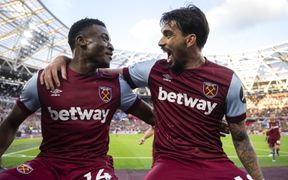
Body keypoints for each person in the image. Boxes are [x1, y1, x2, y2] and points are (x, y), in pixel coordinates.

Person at [40, 5, 264, 180]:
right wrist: (66, 59)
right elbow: (98, 72)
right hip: (169, 164)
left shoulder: (228, 80)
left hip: (216, 164)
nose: (161, 41)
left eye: (168, 34)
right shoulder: (154, 70)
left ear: (190, 40)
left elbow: (241, 137)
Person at [0, 18, 155, 180]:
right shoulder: (43, 80)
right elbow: (11, 123)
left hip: (93, 168)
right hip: (48, 164)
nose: (111, 45)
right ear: (81, 41)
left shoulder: (116, 85)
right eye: (104, 38)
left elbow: (155, 119)